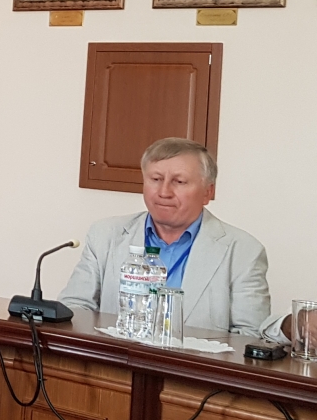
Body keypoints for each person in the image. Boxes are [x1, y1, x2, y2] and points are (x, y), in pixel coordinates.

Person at [60, 137, 271, 334]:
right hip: (114, 360)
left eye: (179, 182)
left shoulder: (243, 251)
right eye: (156, 179)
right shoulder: (106, 235)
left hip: (193, 362)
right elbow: (74, 309)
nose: (164, 192)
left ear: (208, 192)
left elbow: (250, 337)